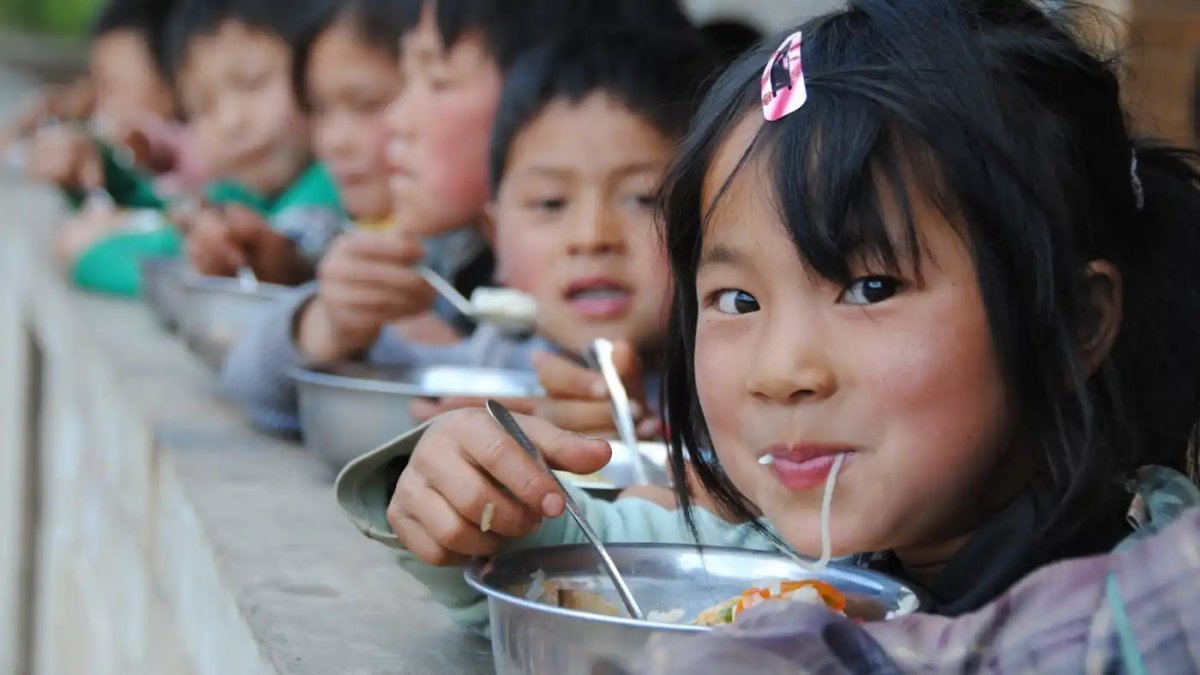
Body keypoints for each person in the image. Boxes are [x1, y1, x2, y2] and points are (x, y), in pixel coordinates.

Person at [339, 0, 1200, 646]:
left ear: (1077, 320)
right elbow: (565, 558)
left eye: (870, 287)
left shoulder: (1152, 600)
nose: (781, 369)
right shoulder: (778, 555)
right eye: (738, 302)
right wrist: (468, 491)